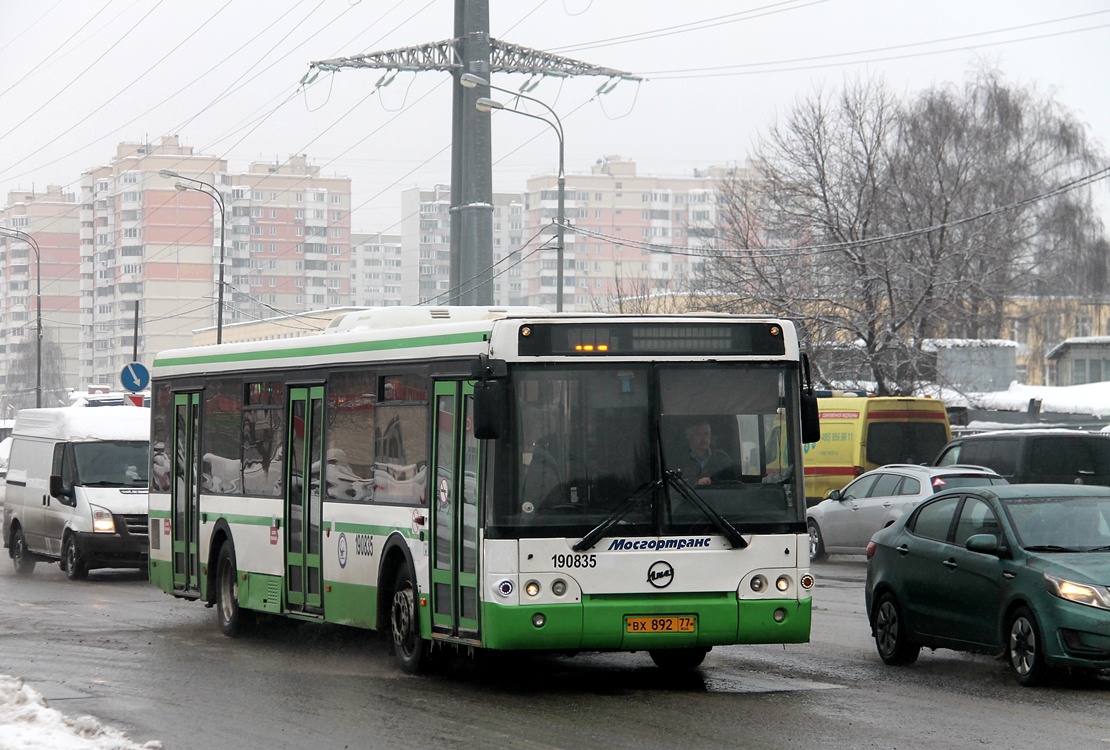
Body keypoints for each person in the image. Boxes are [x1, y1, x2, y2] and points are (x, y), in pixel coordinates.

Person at [682, 420, 734, 486]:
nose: (704, 438)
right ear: (689, 436)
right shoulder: (679, 460)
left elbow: (731, 484)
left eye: (706, 434)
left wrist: (711, 481)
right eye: (699, 434)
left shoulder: (722, 459)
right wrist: (695, 483)